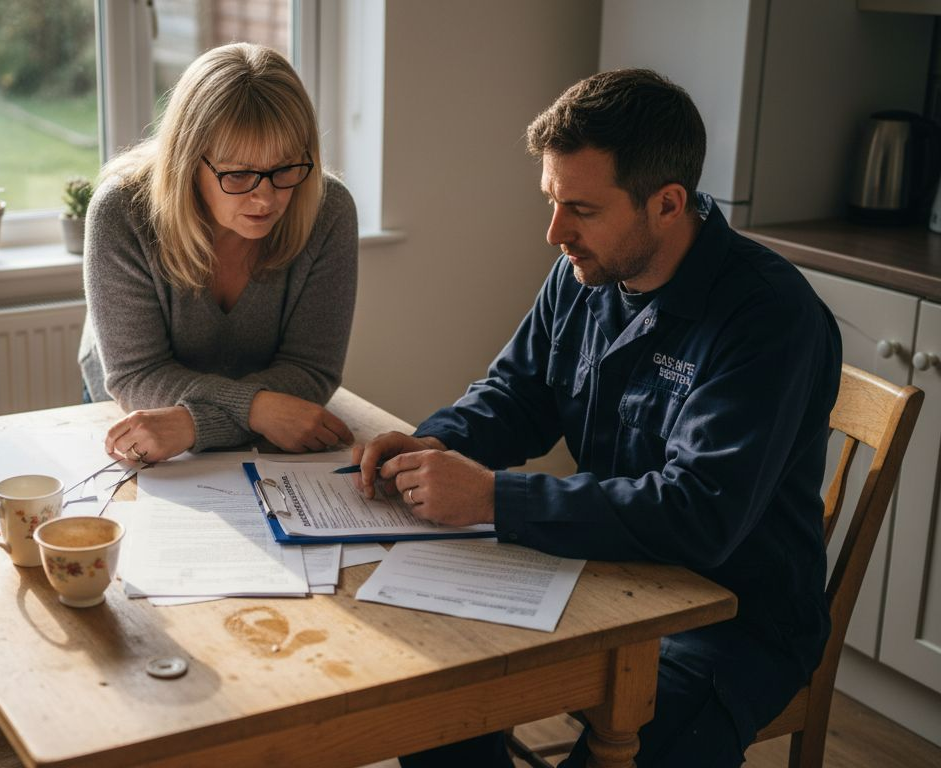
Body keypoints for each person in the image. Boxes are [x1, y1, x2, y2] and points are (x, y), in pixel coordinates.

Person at [353, 69, 842, 767]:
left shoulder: (769, 319)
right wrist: (432, 444)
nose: (555, 232)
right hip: (600, 573)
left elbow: (699, 512)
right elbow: (519, 394)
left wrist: (494, 497)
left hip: (734, 621)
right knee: (431, 701)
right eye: (552, 201)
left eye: (580, 208)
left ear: (668, 204)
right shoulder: (588, 271)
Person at [78, 43, 359, 465]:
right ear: (188, 162)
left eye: (284, 169)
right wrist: (259, 409)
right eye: (239, 174)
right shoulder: (121, 212)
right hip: (136, 420)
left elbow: (312, 370)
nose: (266, 198)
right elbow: (137, 376)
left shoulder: (328, 210)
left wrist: (194, 425)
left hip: (248, 435)